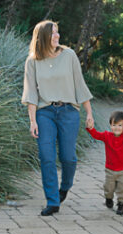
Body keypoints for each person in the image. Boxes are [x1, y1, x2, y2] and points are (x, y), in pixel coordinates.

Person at [22, 20, 95, 216]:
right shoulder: (32, 61)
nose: (57, 36)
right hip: (44, 113)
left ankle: (65, 187)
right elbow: (30, 94)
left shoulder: (69, 55)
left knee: (68, 158)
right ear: (43, 36)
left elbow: (80, 85)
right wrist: (33, 120)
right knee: (46, 157)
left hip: (68, 112)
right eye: (53, 33)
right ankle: (53, 201)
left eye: (57, 32)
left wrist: (89, 113)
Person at [87, 109, 123, 215]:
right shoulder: (107, 136)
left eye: (120, 125)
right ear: (110, 125)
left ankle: (121, 204)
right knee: (108, 187)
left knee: (122, 188)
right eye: (114, 125)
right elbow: (96, 135)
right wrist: (90, 128)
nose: (117, 128)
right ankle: (108, 198)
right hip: (110, 169)